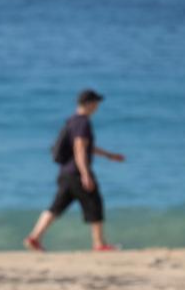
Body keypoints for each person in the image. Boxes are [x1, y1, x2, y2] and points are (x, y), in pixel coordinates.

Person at [24, 89, 126, 252]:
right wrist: (85, 174)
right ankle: (99, 244)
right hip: (77, 172)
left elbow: (86, 147)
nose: (97, 106)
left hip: (65, 172)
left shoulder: (72, 121)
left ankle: (34, 238)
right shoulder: (83, 122)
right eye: (96, 103)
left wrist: (109, 155)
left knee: (56, 206)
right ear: (89, 103)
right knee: (94, 203)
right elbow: (79, 148)